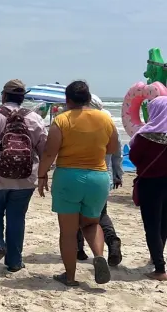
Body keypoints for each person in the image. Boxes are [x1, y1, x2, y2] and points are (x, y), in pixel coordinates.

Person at [37, 80, 118, 287]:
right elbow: (112, 148)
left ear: (68, 100)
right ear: (89, 98)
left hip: (69, 178)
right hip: (98, 178)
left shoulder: (62, 120)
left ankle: (70, 277)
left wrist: (42, 175)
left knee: (68, 231)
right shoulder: (106, 119)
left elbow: (49, 152)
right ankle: (98, 255)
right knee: (91, 223)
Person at [0, 80, 47, 272]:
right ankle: (14, 262)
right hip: (25, 178)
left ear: (3, 96)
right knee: (17, 217)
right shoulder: (35, 118)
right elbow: (45, 149)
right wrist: (44, 174)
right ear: (23, 98)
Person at [76, 95, 123, 266]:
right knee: (100, 213)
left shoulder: (80, 122)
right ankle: (112, 241)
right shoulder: (110, 123)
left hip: (80, 175)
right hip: (104, 176)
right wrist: (118, 174)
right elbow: (117, 153)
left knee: (75, 212)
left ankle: (78, 249)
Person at [129, 96, 167, 281]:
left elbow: (134, 158)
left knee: (151, 224)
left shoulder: (145, 136)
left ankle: (160, 268)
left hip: (150, 183)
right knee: (164, 222)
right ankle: (156, 257)